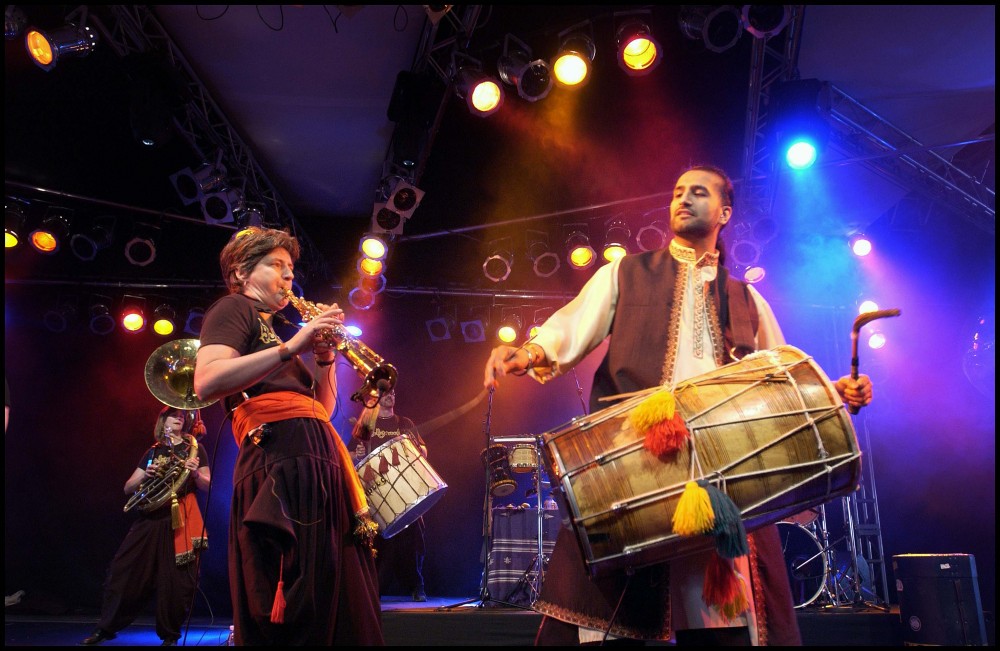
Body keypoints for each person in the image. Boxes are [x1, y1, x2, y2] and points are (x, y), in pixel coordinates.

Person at [483, 164, 873, 646]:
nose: (682, 199)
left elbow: (783, 383)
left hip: (725, 477)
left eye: (698, 193)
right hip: (636, 465)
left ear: (724, 212)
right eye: (677, 193)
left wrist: (834, 392)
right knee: (604, 619)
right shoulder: (625, 273)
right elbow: (570, 327)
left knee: (726, 621)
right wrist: (529, 352)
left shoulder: (747, 299)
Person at [192, 225, 383, 646]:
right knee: (295, 583)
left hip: (314, 453)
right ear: (242, 273)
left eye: (291, 269)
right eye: (275, 266)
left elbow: (324, 407)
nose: (287, 277)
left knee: (329, 578)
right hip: (279, 457)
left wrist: (324, 355)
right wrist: (294, 344)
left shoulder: (277, 328)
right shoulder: (232, 308)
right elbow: (205, 382)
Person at [81, 406, 210, 646]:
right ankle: (105, 628)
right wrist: (145, 475)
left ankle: (170, 636)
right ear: (163, 421)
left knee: (177, 580)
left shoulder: (195, 449)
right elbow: (128, 488)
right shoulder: (153, 452)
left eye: (182, 416)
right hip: (151, 517)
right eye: (173, 415)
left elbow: (207, 485)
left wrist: (195, 476)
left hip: (180, 516)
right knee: (124, 572)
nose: (179, 418)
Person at [346, 387, 429, 602]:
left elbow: (423, 451)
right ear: (377, 397)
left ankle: (417, 585)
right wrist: (357, 454)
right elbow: (348, 455)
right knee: (378, 543)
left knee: (415, 536)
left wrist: (414, 448)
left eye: (394, 391)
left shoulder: (404, 423)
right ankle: (375, 587)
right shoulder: (366, 425)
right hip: (376, 493)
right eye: (387, 392)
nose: (392, 394)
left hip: (403, 489)